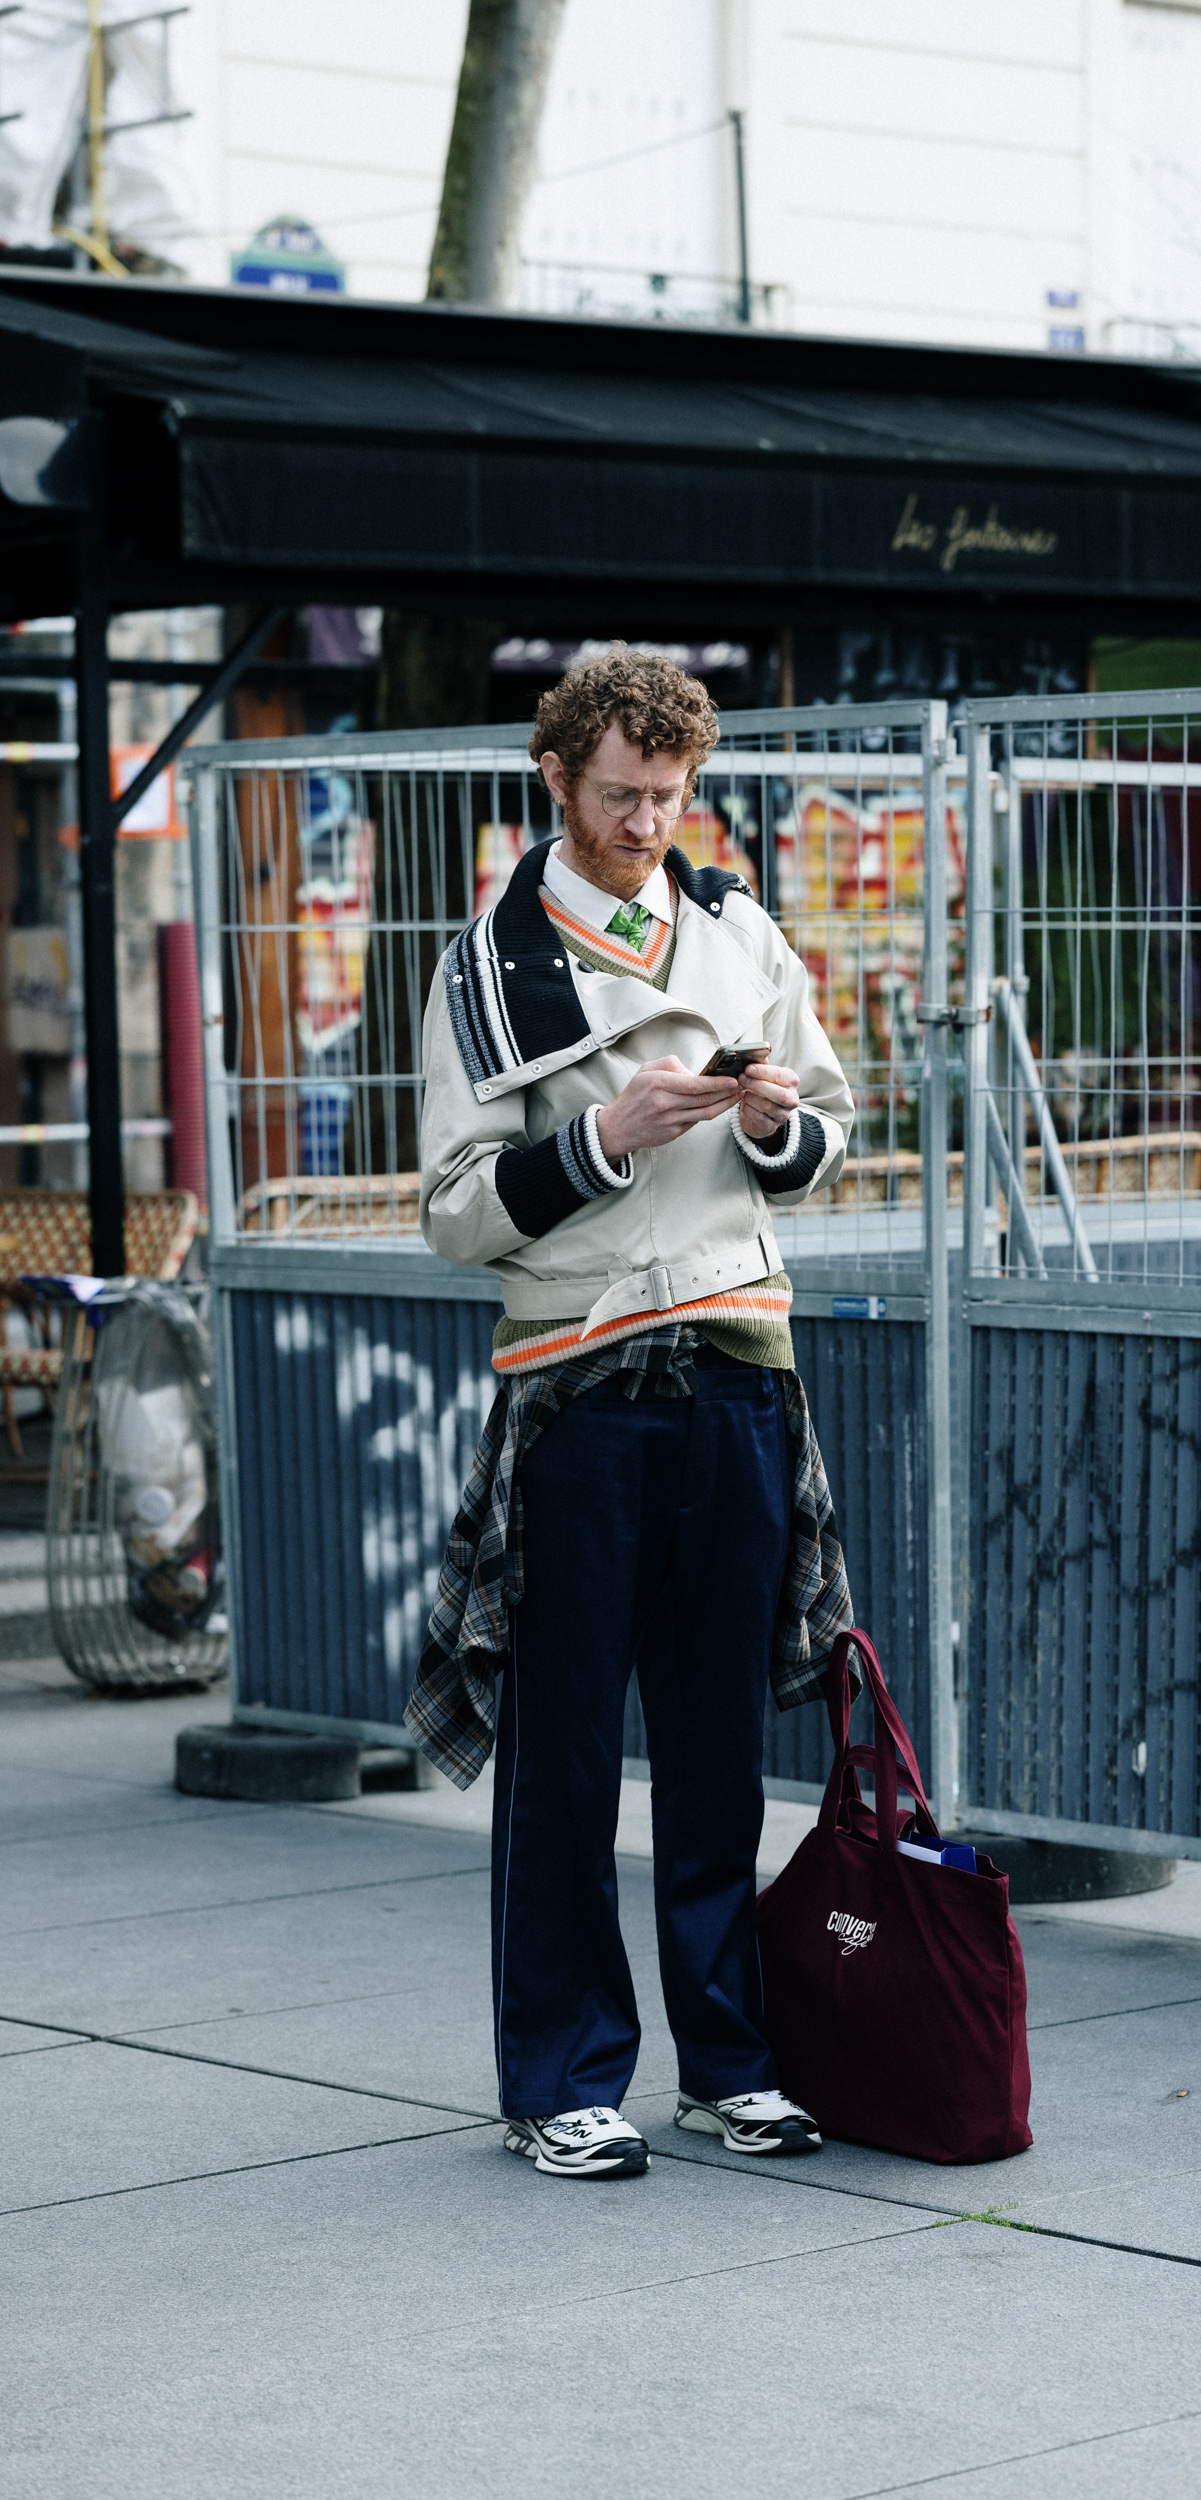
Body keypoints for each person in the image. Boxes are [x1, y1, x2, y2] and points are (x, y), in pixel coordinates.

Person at [407, 647, 856, 2181]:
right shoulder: (486, 960)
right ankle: (562, 2079)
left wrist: (783, 1121)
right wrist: (601, 1133)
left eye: (669, 796)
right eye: (619, 796)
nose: (648, 821)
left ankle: (729, 2065)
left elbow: (832, 1125)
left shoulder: (739, 928)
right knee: (568, 1761)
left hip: (737, 1369)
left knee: (725, 1754)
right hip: (581, 1388)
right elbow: (454, 1215)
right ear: (556, 779)